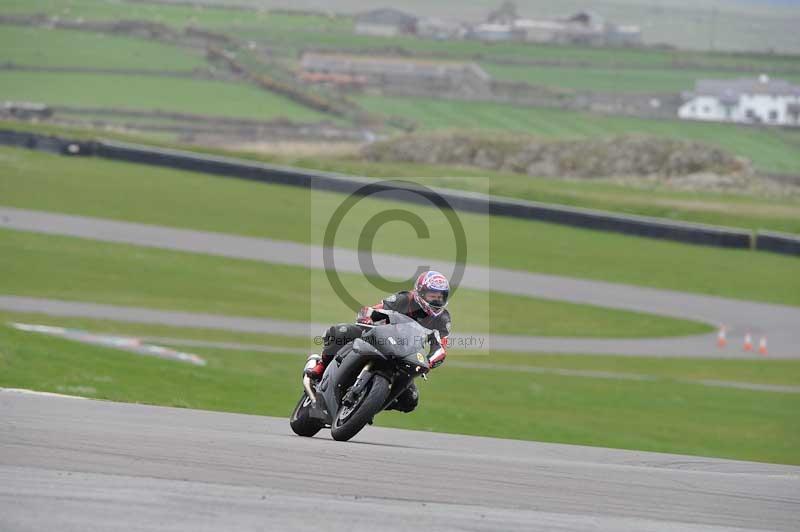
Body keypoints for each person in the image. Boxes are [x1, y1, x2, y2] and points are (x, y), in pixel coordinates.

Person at [305, 270, 452, 413]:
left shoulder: (443, 318)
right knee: (340, 332)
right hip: (380, 337)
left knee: (410, 400)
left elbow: (440, 347)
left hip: (406, 354)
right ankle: (321, 366)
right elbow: (376, 309)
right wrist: (368, 317)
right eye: (432, 296)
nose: (437, 300)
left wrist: (429, 362)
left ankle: (368, 403)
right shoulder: (405, 299)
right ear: (420, 292)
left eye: (440, 297)